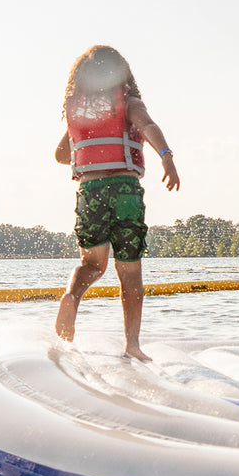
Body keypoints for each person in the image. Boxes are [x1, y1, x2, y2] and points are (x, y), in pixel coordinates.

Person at [52, 45, 180, 361]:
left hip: (90, 190)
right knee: (130, 273)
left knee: (92, 264)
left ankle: (71, 296)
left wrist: (87, 142)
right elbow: (148, 126)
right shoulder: (129, 103)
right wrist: (166, 156)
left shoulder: (77, 111)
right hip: (124, 190)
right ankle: (132, 345)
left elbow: (60, 155)